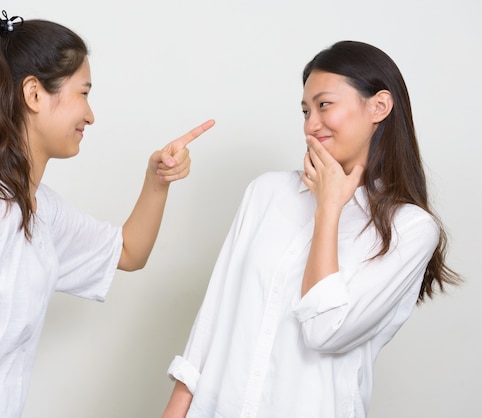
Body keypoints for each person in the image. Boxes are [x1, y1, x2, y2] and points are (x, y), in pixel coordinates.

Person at [0, 1, 214, 416]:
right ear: (34, 94)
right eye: (83, 94)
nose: (90, 115)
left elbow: (128, 252)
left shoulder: (36, 210)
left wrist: (157, 180)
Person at [162, 40, 460, 418]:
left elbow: (325, 332)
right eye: (305, 110)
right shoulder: (267, 192)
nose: (310, 124)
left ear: (379, 106)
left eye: (324, 105)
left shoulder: (412, 229)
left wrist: (329, 208)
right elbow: (215, 315)